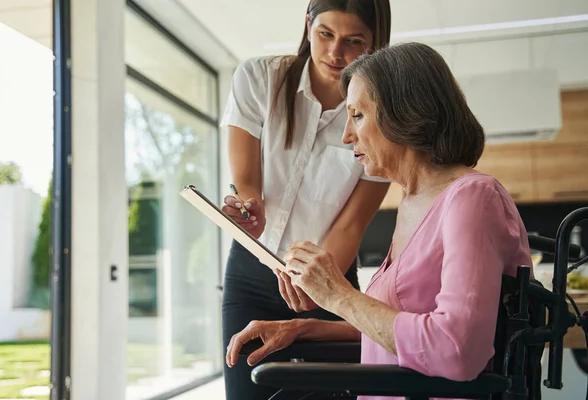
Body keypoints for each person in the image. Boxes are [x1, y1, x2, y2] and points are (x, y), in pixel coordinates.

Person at [225, 42, 534, 400]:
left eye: (357, 115)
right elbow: (405, 327)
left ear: (404, 113)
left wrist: (338, 296)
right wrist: (303, 328)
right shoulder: (415, 201)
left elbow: (455, 349)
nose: (346, 136)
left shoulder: (472, 198)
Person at [219, 1, 393, 398]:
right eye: (326, 34)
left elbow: (352, 223)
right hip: (252, 273)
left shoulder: (383, 117)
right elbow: (246, 186)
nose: (335, 53)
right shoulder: (259, 78)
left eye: (354, 41)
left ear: (375, 43)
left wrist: (316, 283)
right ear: (308, 25)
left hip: (329, 276)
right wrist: (248, 209)